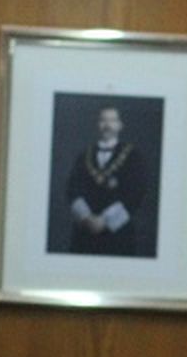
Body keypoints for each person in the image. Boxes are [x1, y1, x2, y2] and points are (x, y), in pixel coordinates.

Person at [64, 105, 150, 257]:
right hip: (84, 234)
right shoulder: (84, 155)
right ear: (98, 124)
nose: (107, 125)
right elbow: (72, 188)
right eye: (103, 120)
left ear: (120, 125)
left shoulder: (133, 156)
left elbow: (136, 192)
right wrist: (86, 218)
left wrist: (105, 220)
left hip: (119, 234)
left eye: (112, 120)